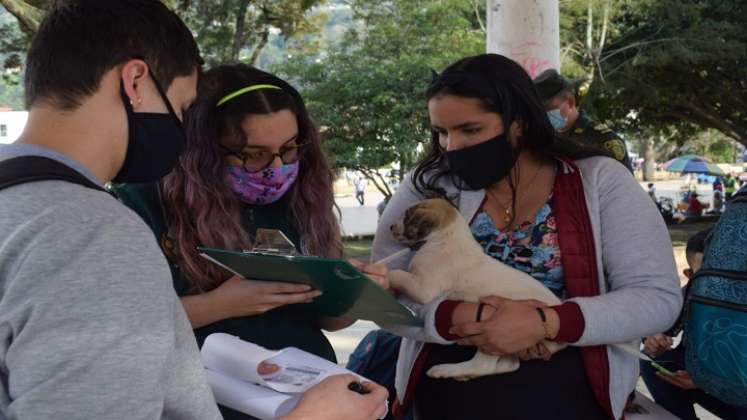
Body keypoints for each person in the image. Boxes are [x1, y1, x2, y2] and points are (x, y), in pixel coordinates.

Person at [0, 2, 387, 419]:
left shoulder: (21, 203)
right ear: (134, 82)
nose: (179, 134)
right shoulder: (94, 231)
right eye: (182, 109)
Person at [372, 54, 682, 420]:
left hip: (568, 397)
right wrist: (464, 317)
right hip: (442, 394)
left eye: (470, 130)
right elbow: (382, 298)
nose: (451, 146)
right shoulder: (429, 186)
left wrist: (546, 322)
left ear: (517, 123)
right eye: (441, 132)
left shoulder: (600, 182)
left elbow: (657, 298)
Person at [111, 63, 386, 419]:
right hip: (202, 403)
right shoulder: (141, 205)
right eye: (253, 154)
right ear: (203, 150)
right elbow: (120, 327)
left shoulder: (301, 200)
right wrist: (219, 304)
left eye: (289, 149)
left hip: (311, 398)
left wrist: (354, 295)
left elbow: (325, 321)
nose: (275, 167)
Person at [640, 229, 747, 420]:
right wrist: (654, 338)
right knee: (653, 363)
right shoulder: (688, 294)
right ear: (690, 275)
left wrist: (706, 381)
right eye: (706, 275)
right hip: (707, 382)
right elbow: (657, 324)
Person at [533, 69, 634, 173]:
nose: (543, 116)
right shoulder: (544, 139)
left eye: (548, 109)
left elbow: (624, 186)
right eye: (539, 111)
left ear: (570, 102)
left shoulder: (604, 140)